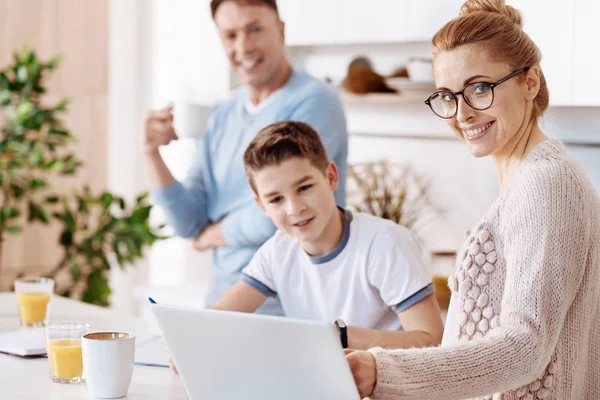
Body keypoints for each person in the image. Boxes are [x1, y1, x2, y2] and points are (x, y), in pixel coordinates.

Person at [345, 1, 600, 399]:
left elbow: (524, 346)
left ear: (529, 81)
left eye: (479, 88)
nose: (461, 113)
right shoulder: (524, 180)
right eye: (447, 96)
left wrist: (383, 371)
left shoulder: (548, 183)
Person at [144, 0, 347, 316]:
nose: (243, 46)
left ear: (280, 30)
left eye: (255, 29)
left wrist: (212, 236)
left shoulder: (315, 102)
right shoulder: (222, 114)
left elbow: (287, 214)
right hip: (223, 303)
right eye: (231, 35)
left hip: (291, 306)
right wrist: (151, 154)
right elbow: (189, 222)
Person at [209, 121, 444, 351]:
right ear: (262, 206)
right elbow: (213, 322)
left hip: (387, 385)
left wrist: (341, 336)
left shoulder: (386, 242)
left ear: (331, 177)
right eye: (276, 199)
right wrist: (190, 343)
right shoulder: (277, 251)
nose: (294, 208)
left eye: (304, 188)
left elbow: (431, 340)